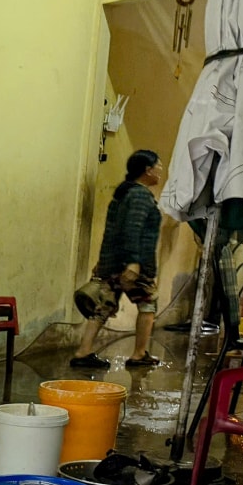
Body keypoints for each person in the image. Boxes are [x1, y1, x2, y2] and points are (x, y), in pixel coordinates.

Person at [71, 149, 165, 370]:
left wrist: (103, 261)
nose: (161, 170)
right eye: (158, 166)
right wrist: (134, 262)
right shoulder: (140, 196)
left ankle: (83, 351)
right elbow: (133, 229)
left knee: (104, 306)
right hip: (133, 264)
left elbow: (112, 231)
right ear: (147, 170)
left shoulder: (123, 194)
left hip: (112, 262)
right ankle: (139, 354)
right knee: (148, 303)